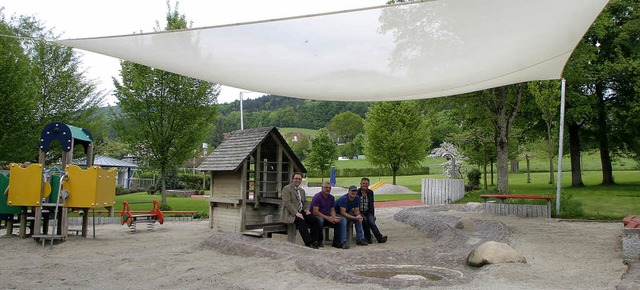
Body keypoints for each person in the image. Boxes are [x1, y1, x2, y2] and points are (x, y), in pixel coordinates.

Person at [282, 172, 322, 248]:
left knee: (314, 219)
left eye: (299, 179)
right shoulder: (286, 189)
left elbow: (305, 202)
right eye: (296, 178)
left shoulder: (302, 191)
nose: (297, 180)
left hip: (301, 211)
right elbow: (287, 203)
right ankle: (308, 242)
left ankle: (315, 240)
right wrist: (296, 213)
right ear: (292, 179)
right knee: (301, 221)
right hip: (291, 214)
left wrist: (307, 209)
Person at [310, 182, 341, 248]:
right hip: (317, 215)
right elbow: (315, 212)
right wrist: (328, 218)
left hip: (327, 216)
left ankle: (336, 242)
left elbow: (332, 209)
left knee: (339, 221)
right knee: (320, 220)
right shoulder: (317, 197)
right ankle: (319, 241)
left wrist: (333, 217)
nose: (328, 189)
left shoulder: (331, 197)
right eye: (326, 187)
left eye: (329, 188)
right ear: (322, 188)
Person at [358, 177, 387, 244]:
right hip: (360, 212)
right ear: (360, 184)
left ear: (368, 184)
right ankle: (368, 238)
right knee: (364, 220)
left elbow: (371, 204)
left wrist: (372, 215)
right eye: (363, 183)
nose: (365, 185)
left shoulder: (370, 192)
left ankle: (379, 238)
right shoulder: (357, 193)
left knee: (371, 222)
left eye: (366, 184)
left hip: (368, 211)